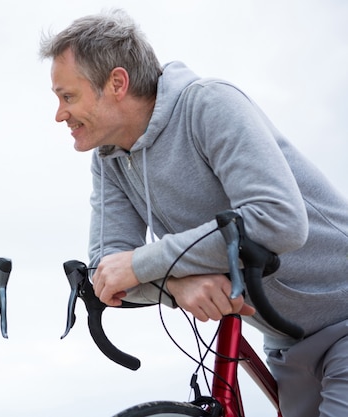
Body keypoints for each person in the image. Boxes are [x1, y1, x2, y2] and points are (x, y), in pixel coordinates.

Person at [40, 9, 348, 417]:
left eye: (68, 96)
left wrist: (149, 263)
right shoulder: (109, 157)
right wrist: (177, 285)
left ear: (116, 83)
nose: (60, 114)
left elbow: (279, 220)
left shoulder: (209, 104)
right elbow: (109, 273)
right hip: (286, 343)